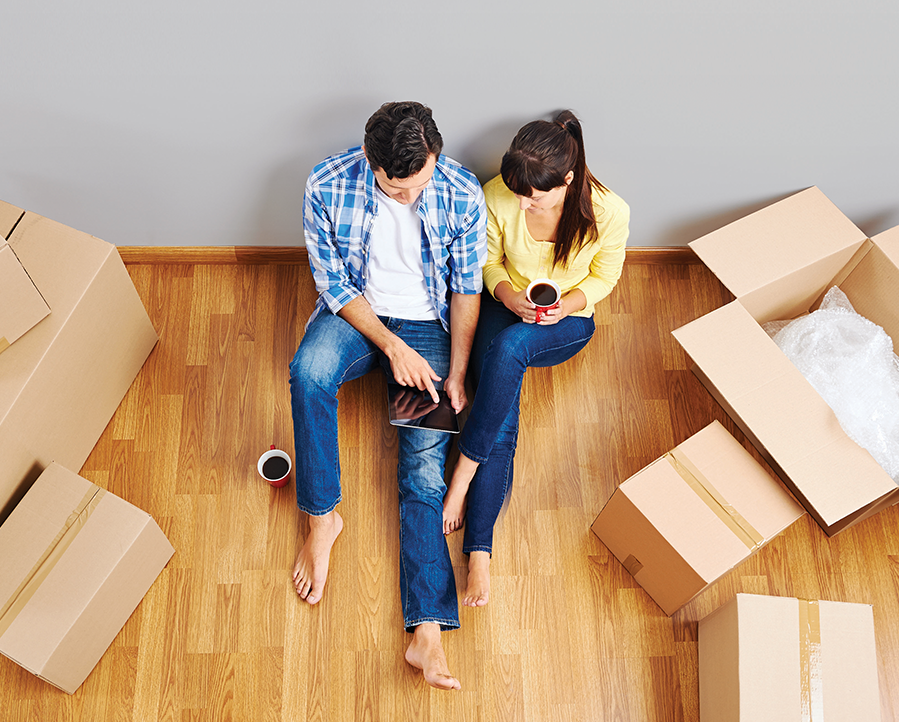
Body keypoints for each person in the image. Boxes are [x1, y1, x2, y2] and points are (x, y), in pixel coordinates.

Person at [288, 101, 486, 690]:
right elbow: (334, 284)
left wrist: (457, 371)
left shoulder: (459, 190)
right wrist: (389, 347)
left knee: (423, 469)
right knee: (308, 373)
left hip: (429, 328)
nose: (409, 198)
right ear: (370, 162)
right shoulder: (326, 183)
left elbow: (467, 288)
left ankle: (425, 631)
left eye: (418, 184)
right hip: (359, 316)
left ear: (435, 157)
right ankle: (322, 519)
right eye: (394, 189)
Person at [442, 110, 629, 607]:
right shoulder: (496, 196)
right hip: (508, 307)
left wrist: (562, 307)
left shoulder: (609, 212)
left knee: (509, 351)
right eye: (518, 193)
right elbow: (486, 261)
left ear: (568, 181)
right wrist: (507, 297)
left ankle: (462, 472)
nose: (524, 203)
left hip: (565, 321)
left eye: (536, 196)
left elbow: (603, 281)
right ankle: (479, 550)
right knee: (501, 404)